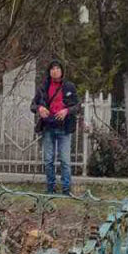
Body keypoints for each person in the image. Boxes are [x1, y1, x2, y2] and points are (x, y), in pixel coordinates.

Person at [30, 59, 80, 195]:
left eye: (57, 68)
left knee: (65, 160)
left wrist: (66, 111)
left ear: (62, 71)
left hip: (64, 128)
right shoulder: (43, 87)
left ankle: (66, 190)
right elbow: (32, 105)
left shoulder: (69, 87)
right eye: (52, 69)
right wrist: (40, 108)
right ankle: (50, 188)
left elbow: (77, 106)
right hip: (48, 128)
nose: (55, 71)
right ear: (49, 71)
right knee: (48, 160)